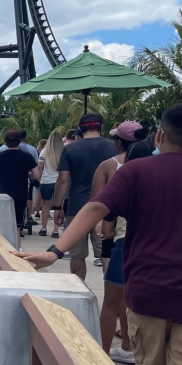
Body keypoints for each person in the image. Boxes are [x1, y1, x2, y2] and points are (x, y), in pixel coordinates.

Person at [16, 103, 182, 365]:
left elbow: (94, 208)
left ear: (161, 136)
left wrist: (54, 251)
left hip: (147, 289)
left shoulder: (137, 173)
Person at [90, 121, 147, 363]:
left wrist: (104, 227)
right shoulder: (159, 168)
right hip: (149, 244)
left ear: (119, 142)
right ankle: (127, 346)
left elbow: (100, 205)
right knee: (131, 299)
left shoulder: (114, 168)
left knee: (112, 301)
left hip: (123, 241)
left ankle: (101, 356)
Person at [52, 114, 118, 279]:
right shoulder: (114, 147)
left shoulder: (70, 149)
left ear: (80, 129)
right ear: (101, 127)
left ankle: (80, 290)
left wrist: (58, 206)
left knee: (77, 254)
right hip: (105, 208)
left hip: (77, 206)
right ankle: (111, 291)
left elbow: (62, 180)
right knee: (106, 252)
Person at [0, 131, 40, 238]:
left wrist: (2, 173)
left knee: (3, 225)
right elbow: (36, 175)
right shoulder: (27, 156)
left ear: (5, 142)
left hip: (4, 193)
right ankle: (17, 248)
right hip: (21, 194)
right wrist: (26, 174)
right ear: (20, 141)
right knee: (17, 226)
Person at [36, 132, 63, 237]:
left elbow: (40, 168)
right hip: (59, 181)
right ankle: (56, 230)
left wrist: (39, 178)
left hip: (46, 181)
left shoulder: (44, 151)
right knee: (59, 206)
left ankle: (43, 228)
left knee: (46, 205)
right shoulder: (63, 151)